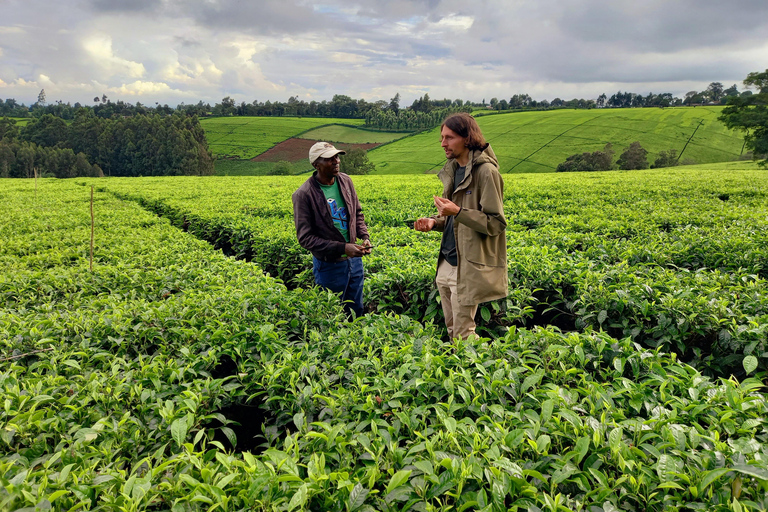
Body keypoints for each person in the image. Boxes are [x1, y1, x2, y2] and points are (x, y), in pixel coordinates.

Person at [414, 113, 508, 340]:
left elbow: (495, 223)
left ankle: (480, 371)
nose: (443, 143)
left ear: (467, 138)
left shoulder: (486, 172)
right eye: (442, 138)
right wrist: (434, 222)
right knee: (451, 328)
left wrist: (457, 211)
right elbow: (453, 220)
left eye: (449, 137)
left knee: (463, 333)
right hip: (447, 260)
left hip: (467, 263)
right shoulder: (453, 169)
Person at [292, 142, 372, 317]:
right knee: (333, 315)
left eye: (336, 157)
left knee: (356, 311)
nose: (336, 161)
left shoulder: (346, 181)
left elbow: (357, 213)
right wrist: (342, 248)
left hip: (354, 262)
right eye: (329, 159)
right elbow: (305, 238)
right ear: (316, 164)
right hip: (329, 266)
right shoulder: (304, 194)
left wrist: (364, 236)